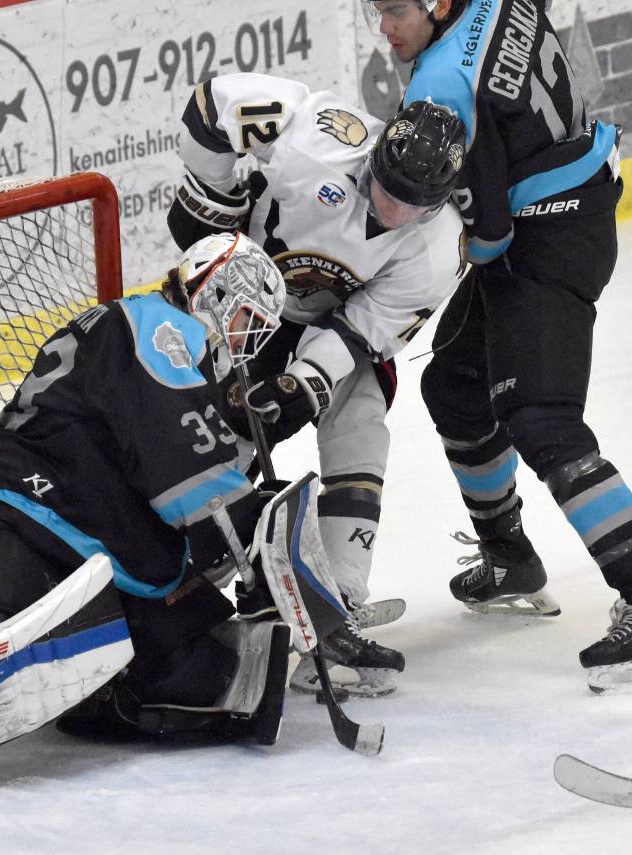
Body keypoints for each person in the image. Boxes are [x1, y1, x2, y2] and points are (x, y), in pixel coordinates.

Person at [0, 233, 358, 818]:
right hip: (23, 515)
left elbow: (172, 476)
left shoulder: (167, 343)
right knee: (4, 658)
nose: (247, 339)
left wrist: (254, 554)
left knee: (212, 675)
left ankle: (98, 689)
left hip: (93, 539)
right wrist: (254, 537)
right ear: (216, 291)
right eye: (247, 318)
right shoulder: (159, 328)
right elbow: (186, 473)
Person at [360, 0, 632, 691]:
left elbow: (489, 236)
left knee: (540, 417)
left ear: (438, 5)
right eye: (376, 10)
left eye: (394, 11)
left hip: (548, 239)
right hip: (573, 199)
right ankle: (510, 557)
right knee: (455, 386)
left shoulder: (440, 83)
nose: (385, 28)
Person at [167, 72, 466, 695]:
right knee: (214, 441)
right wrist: (215, 199)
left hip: (332, 326)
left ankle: (336, 604)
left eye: (412, 205)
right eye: (386, 189)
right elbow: (212, 103)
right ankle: (169, 583)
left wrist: (301, 385)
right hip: (248, 301)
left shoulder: (437, 250)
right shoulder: (319, 136)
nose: (392, 211)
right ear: (375, 156)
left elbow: (362, 331)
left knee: (360, 422)